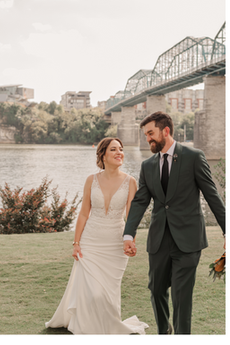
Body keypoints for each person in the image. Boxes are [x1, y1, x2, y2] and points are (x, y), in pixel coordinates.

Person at [123, 111, 226, 335]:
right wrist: (128, 234)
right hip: (159, 240)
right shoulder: (147, 166)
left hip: (188, 240)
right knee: (156, 290)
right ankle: (164, 333)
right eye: (145, 135)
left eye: (150, 133)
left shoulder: (193, 156)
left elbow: (212, 195)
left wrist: (228, 232)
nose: (147, 139)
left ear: (165, 131)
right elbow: (140, 201)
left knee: (181, 295)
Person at [45, 137, 148, 334]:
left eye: (121, 149)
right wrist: (76, 243)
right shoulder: (91, 180)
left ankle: (107, 325)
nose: (119, 153)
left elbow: (131, 216)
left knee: (107, 292)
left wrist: (131, 241)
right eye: (113, 150)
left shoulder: (130, 182)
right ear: (103, 155)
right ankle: (86, 325)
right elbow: (84, 213)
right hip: (91, 241)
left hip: (115, 243)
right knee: (92, 290)